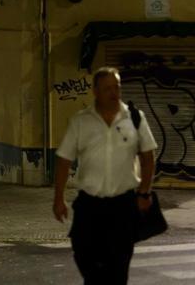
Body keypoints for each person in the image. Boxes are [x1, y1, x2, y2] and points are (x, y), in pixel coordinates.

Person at [53, 67, 157, 285]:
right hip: (90, 206)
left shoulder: (135, 118)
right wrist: (58, 197)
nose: (114, 92)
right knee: (84, 257)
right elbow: (64, 160)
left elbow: (148, 157)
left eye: (117, 87)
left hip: (123, 206)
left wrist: (144, 192)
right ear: (96, 91)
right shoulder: (81, 121)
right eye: (108, 88)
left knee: (118, 268)